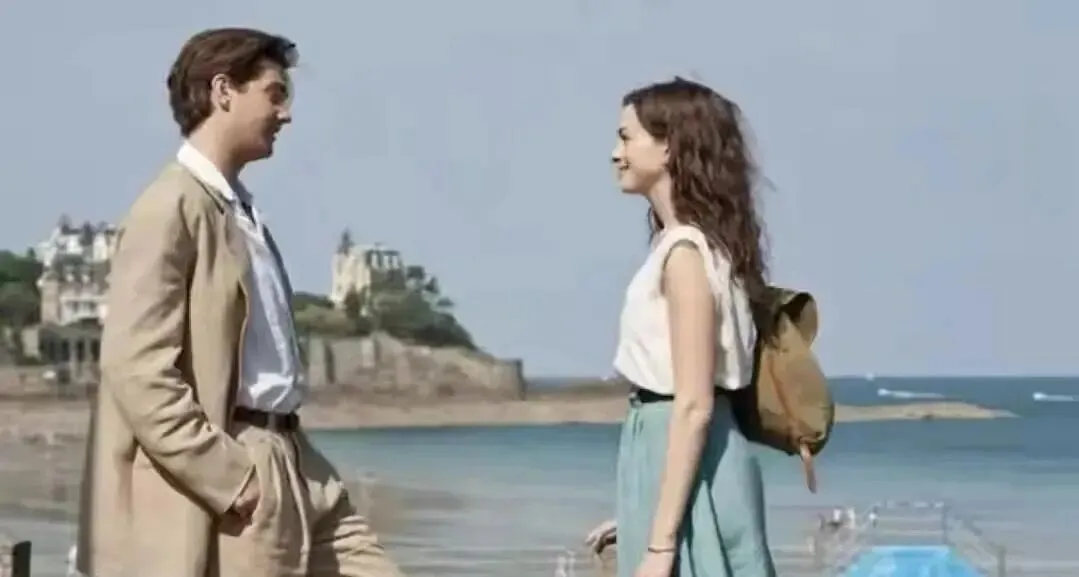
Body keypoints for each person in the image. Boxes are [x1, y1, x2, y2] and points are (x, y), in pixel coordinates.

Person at [75, 28, 404, 577]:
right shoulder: (170, 207)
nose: (286, 114)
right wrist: (231, 476)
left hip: (297, 457)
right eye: (275, 94)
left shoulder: (238, 210)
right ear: (223, 90)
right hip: (244, 461)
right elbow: (135, 368)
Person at [585, 78, 777, 577]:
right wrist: (641, 515)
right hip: (681, 459)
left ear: (668, 146)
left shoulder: (686, 254)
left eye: (626, 137)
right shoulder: (691, 246)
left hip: (690, 445)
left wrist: (660, 544)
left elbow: (693, 405)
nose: (616, 153)